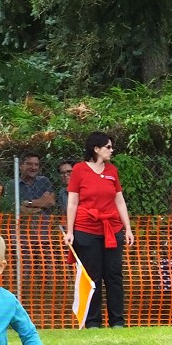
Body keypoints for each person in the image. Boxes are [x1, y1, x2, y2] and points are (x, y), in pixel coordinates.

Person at [62, 132, 135, 329]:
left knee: (114, 275)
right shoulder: (79, 169)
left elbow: (119, 200)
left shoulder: (112, 170)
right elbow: (73, 202)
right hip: (86, 229)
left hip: (112, 228)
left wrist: (127, 228)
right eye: (108, 147)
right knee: (92, 275)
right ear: (96, 149)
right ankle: (93, 322)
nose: (112, 151)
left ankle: (117, 321)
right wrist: (70, 231)